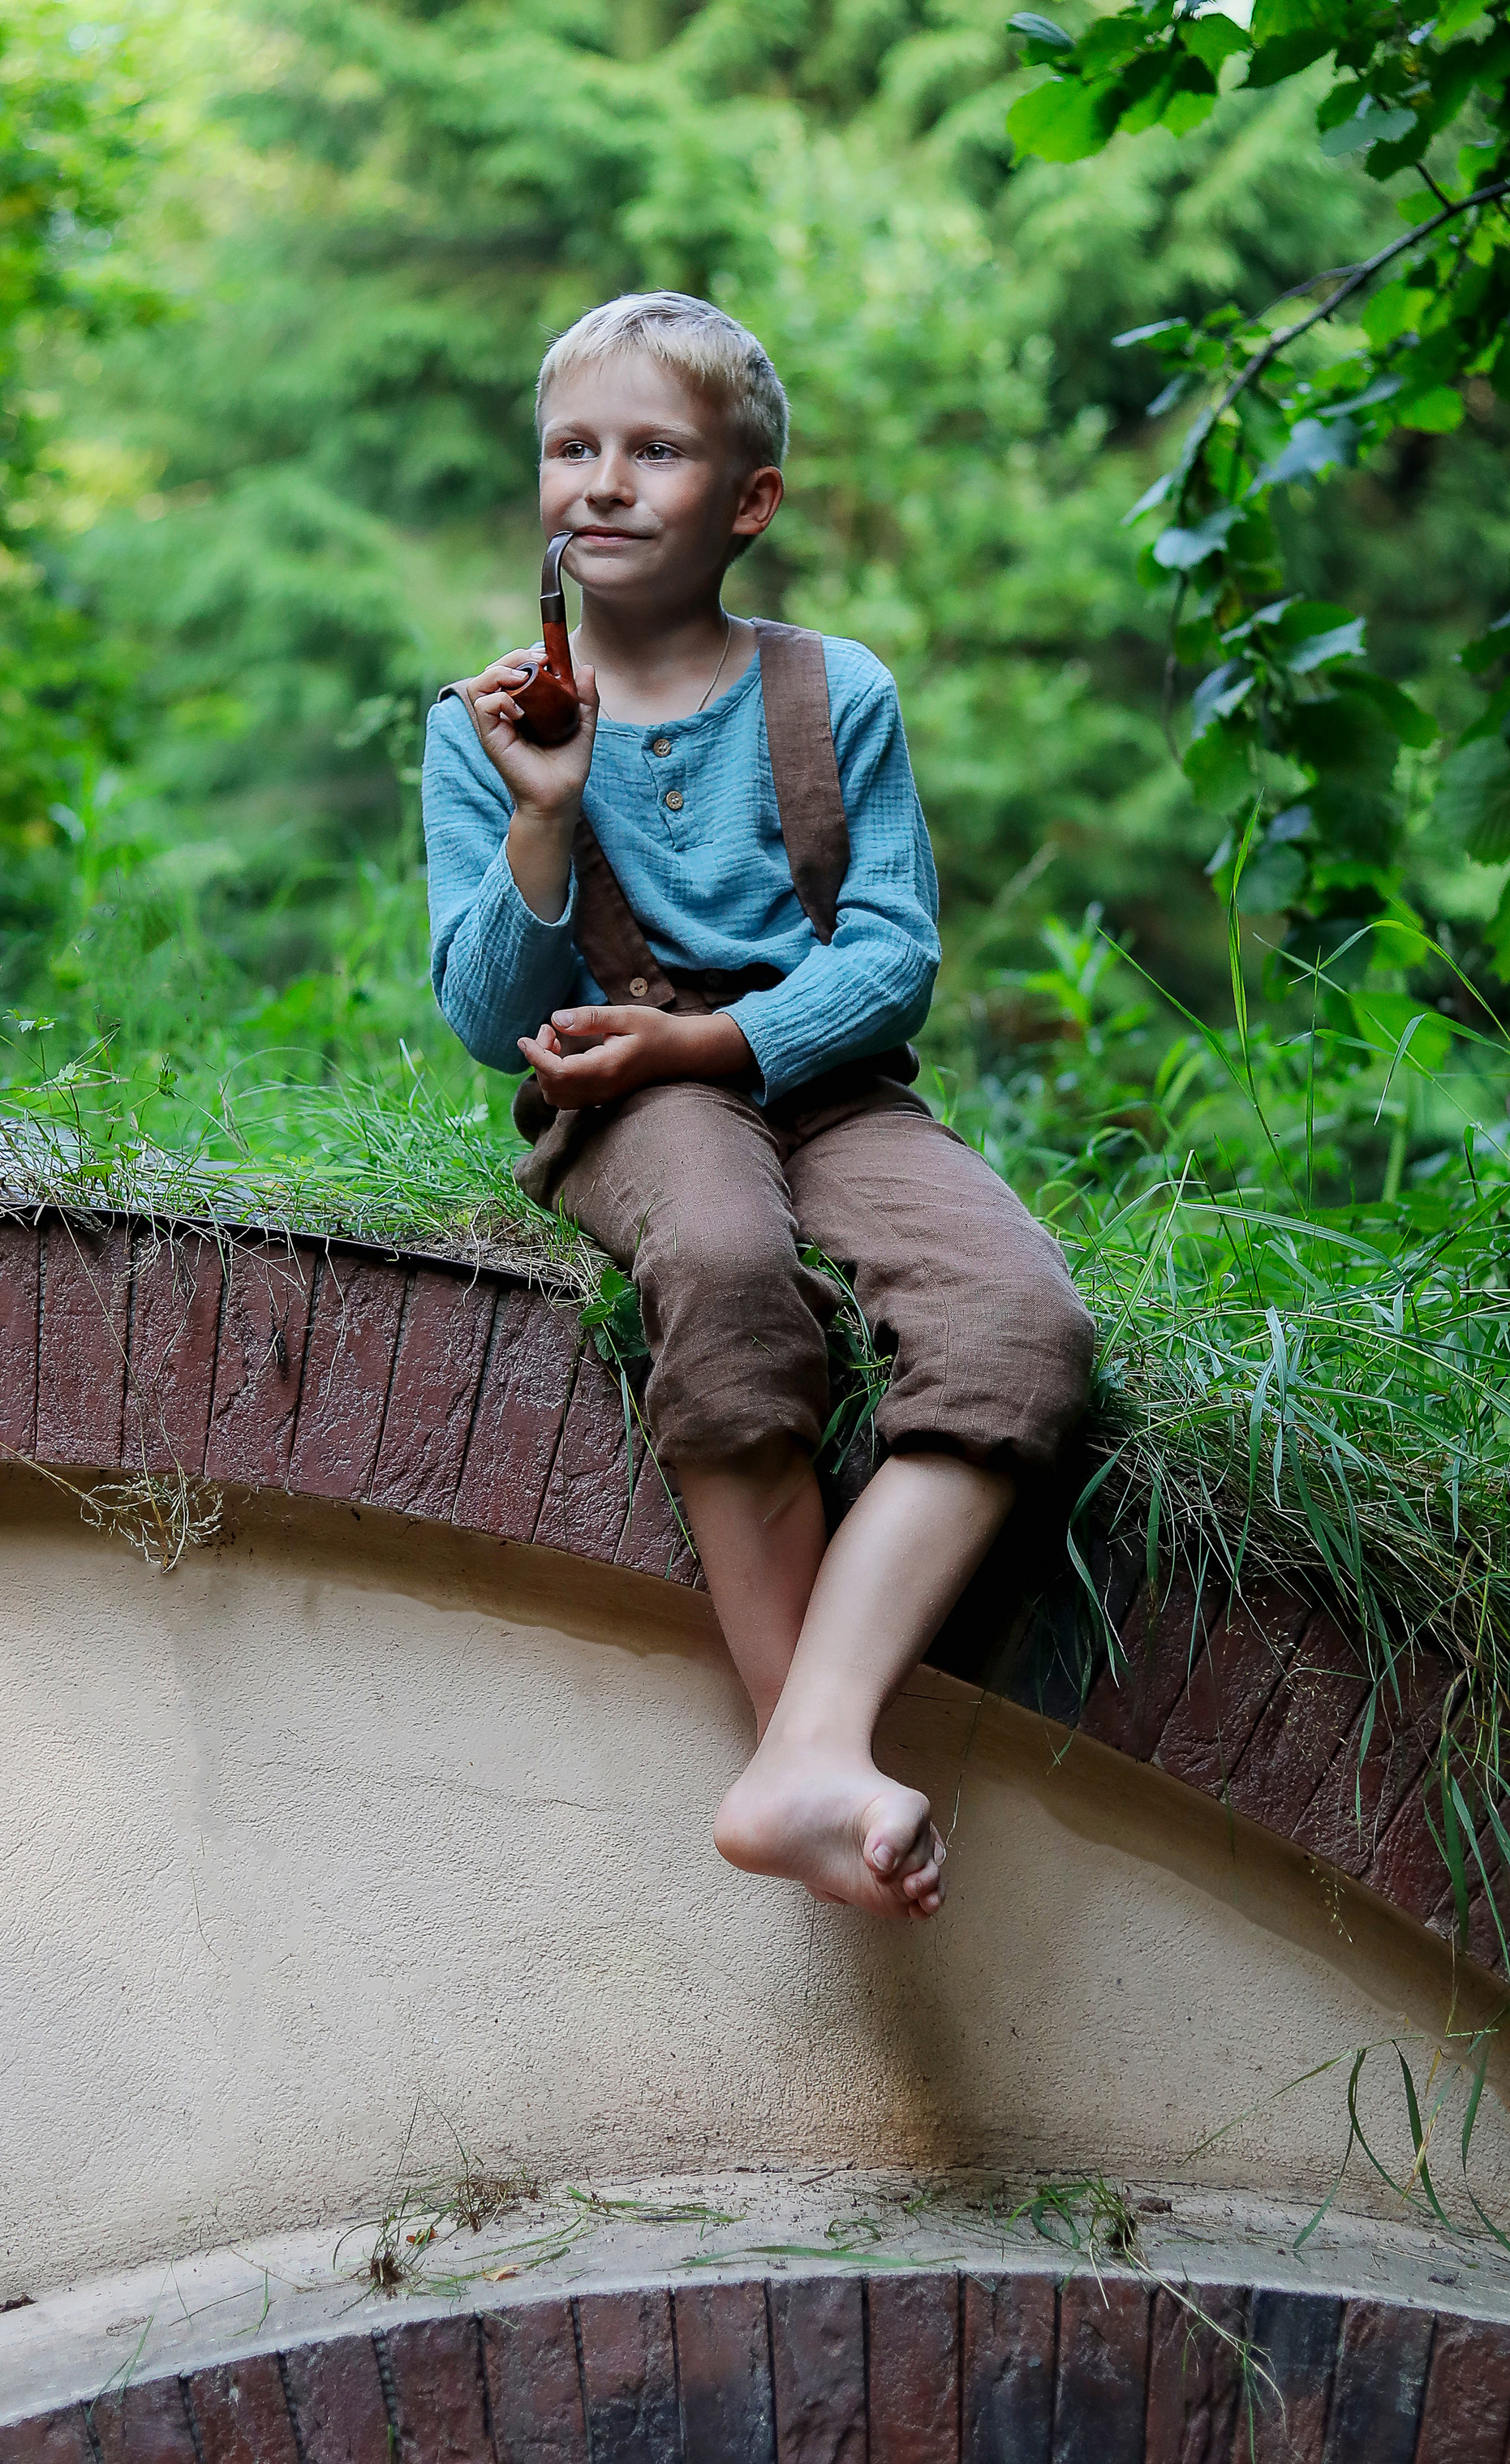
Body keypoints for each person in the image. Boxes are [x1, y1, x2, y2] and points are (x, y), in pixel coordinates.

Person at [424, 292, 1094, 1920]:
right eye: (570, 448)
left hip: (823, 1077)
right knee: (723, 1267)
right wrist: (545, 818)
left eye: (654, 449)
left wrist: (710, 1048)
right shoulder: (484, 726)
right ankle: (813, 1755)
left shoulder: (830, 690)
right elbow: (488, 1018)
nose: (599, 481)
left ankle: (806, 1742)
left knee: (1022, 1324)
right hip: (620, 1087)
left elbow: (887, 964)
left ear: (748, 498)